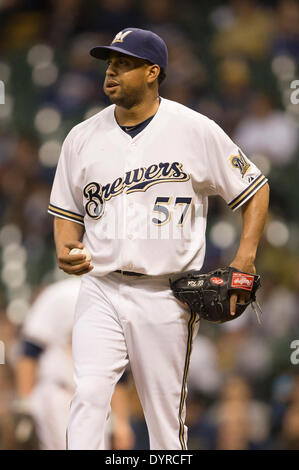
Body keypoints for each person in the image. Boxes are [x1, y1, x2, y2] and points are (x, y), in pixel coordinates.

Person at [48, 27, 269, 450]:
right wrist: (65, 246)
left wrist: (245, 257)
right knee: (90, 394)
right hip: (101, 286)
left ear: (153, 72)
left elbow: (255, 188)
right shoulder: (80, 137)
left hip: (165, 293)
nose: (111, 71)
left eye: (124, 64)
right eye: (109, 63)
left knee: (165, 425)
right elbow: (66, 213)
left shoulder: (194, 129)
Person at [14, 277, 134, 450]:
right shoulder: (61, 295)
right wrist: (25, 403)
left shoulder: (118, 299)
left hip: (97, 397)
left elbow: (119, 373)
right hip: (59, 392)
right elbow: (30, 352)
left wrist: (122, 423)